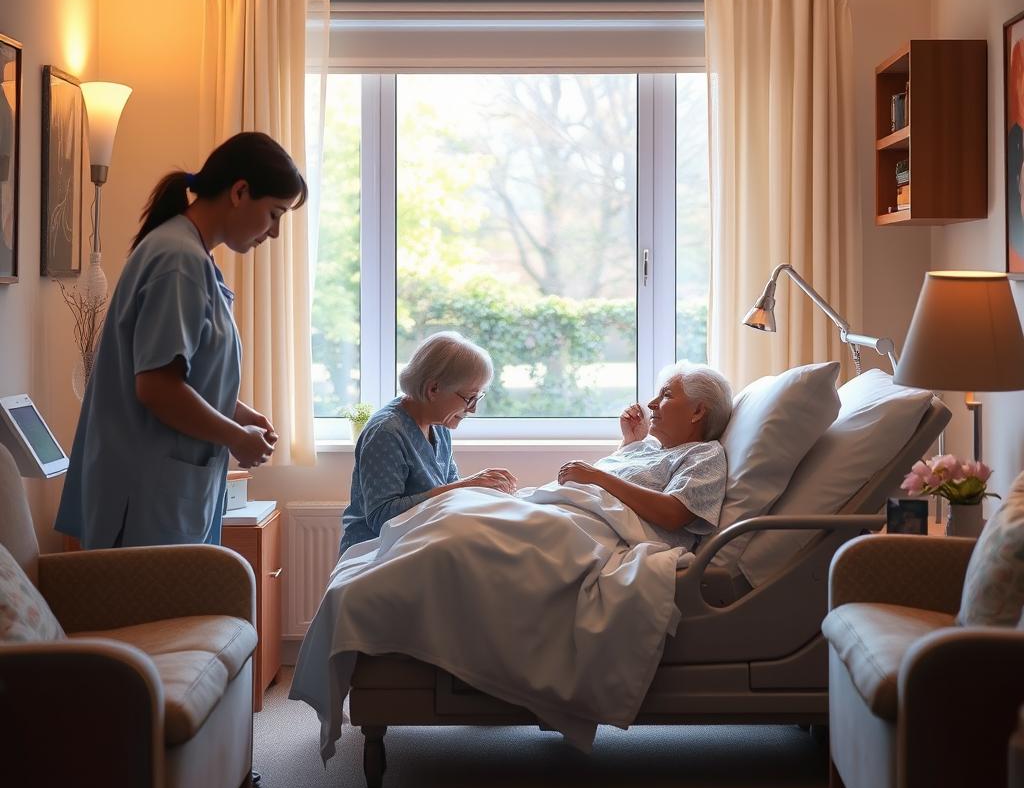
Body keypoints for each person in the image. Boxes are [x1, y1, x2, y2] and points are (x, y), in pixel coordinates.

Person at [55, 131, 307, 550]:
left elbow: (184, 375)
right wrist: (234, 436)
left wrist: (238, 412)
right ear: (240, 192)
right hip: (146, 499)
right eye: (275, 214)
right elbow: (156, 387)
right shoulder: (179, 262)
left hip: (162, 493)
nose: (274, 233)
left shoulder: (190, 256)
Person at [339, 331, 517, 556]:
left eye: (478, 398)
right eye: (469, 398)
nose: (473, 409)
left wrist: (487, 494)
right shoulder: (386, 432)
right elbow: (381, 517)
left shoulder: (439, 424)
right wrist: (464, 486)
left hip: (418, 544)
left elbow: (449, 491)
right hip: (375, 552)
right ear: (434, 389)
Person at [557, 361, 733, 549]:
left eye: (666, 395)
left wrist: (596, 477)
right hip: (571, 513)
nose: (651, 404)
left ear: (697, 411)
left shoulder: (705, 454)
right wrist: (629, 443)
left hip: (586, 528)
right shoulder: (650, 447)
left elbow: (673, 514)